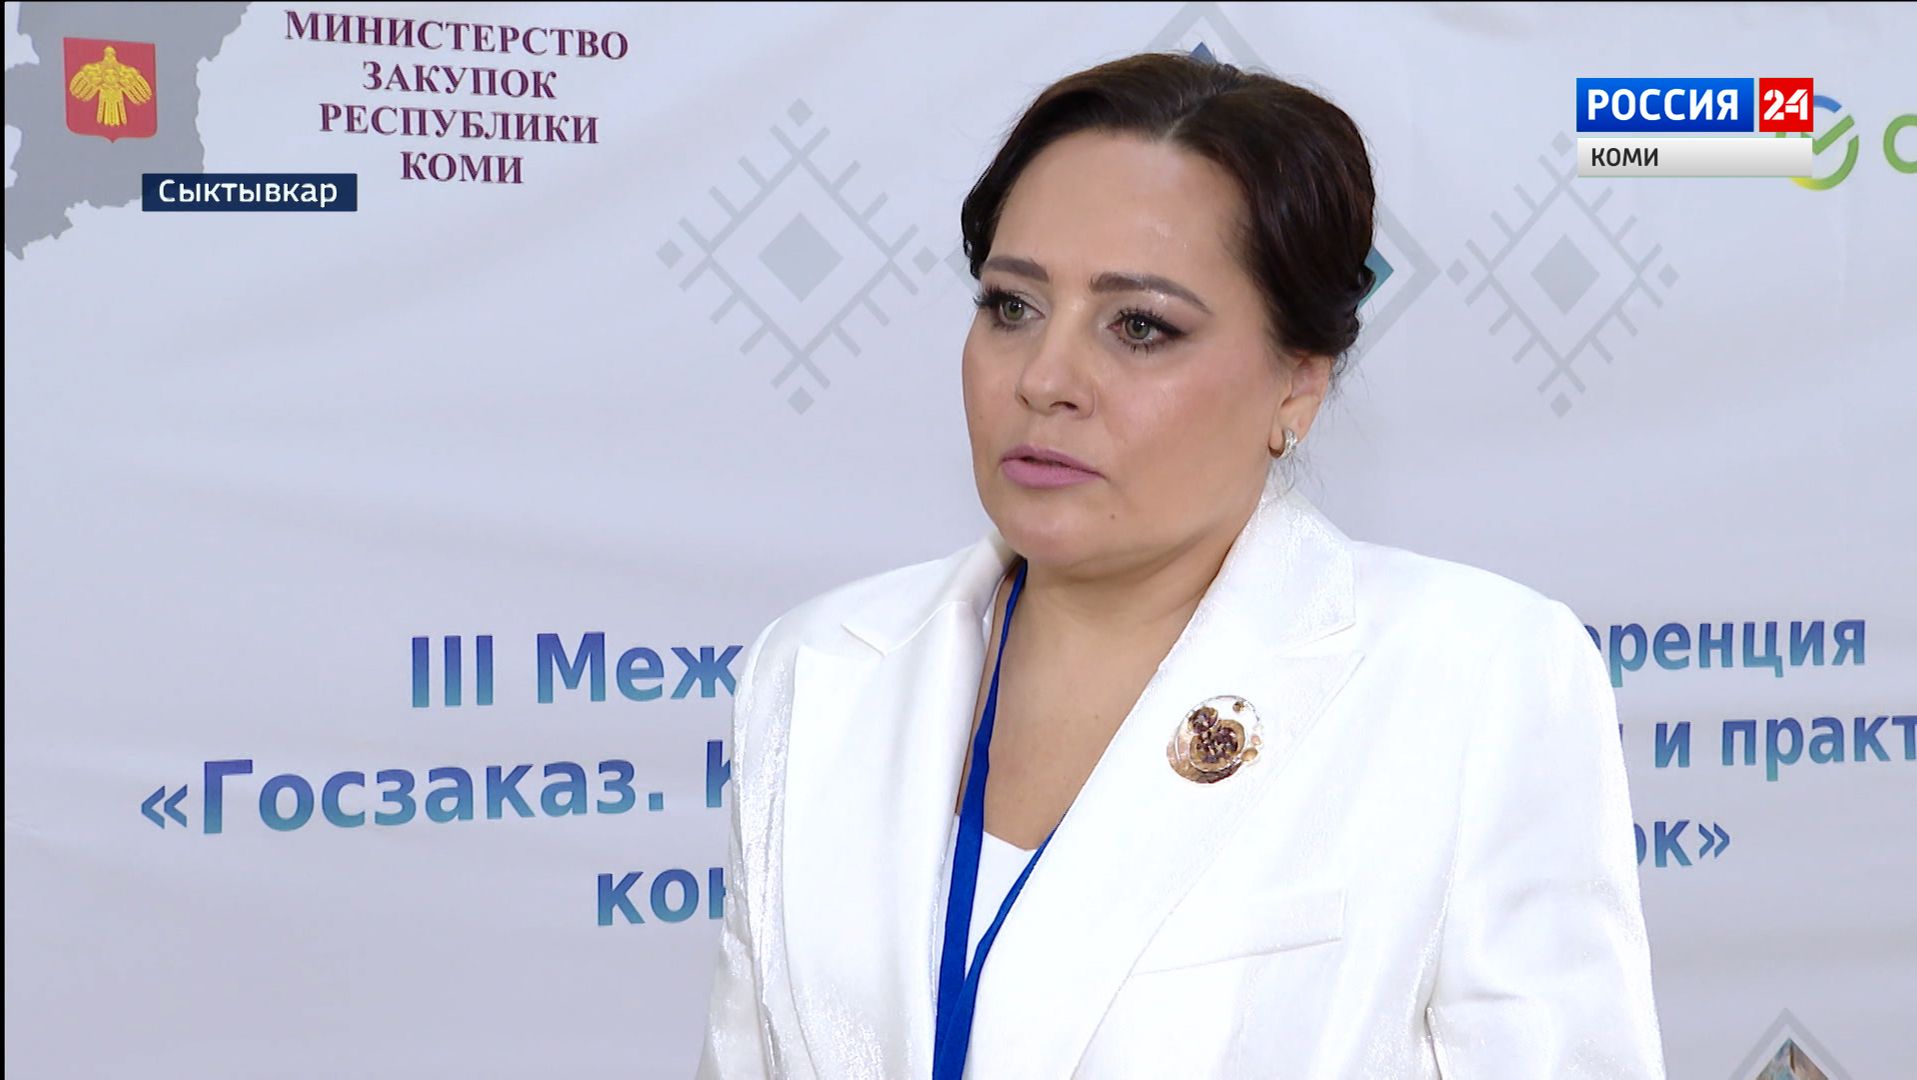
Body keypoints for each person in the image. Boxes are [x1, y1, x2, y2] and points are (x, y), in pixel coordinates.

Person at [696, 50, 1664, 1079]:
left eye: (1140, 326)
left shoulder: (1475, 681)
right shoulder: (814, 673)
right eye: (1011, 306)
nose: (1046, 378)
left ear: (1298, 384)